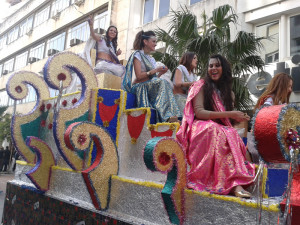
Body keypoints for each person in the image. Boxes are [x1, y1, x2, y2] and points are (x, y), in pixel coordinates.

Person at [176, 54, 255, 198]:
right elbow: (199, 112)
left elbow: (226, 121)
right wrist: (230, 114)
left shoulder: (229, 94)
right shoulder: (200, 85)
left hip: (219, 130)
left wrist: (238, 118)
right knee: (217, 130)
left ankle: (235, 183)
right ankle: (233, 185)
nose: (213, 68)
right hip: (200, 127)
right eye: (210, 66)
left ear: (224, 69)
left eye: (217, 65)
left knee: (230, 132)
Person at [123, 30, 181, 122]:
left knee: (164, 82)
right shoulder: (137, 55)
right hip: (139, 86)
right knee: (162, 82)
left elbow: (154, 79)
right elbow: (138, 76)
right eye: (153, 41)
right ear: (145, 42)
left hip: (149, 84)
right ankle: (166, 117)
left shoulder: (151, 59)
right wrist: (156, 70)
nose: (155, 44)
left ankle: (173, 115)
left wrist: (161, 73)